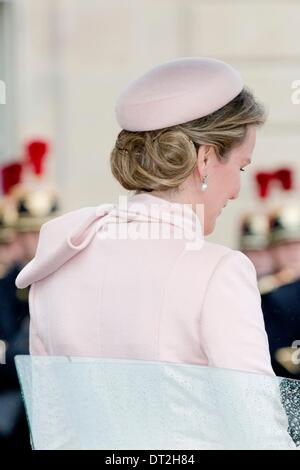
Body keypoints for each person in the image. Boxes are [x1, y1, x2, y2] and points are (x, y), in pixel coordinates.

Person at [261, 203, 300, 379]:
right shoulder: (270, 297)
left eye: (297, 244)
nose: (293, 253)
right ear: (272, 251)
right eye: (284, 245)